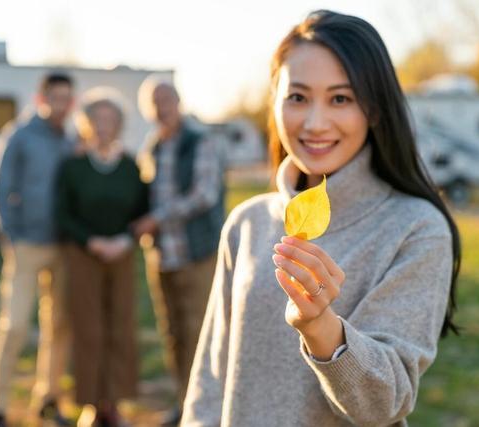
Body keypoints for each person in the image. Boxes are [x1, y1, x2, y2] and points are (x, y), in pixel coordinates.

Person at [182, 10, 461, 427]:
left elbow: (384, 405)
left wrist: (322, 328)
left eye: (340, 99)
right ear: (274, 101)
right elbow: (211, 377)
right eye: (297, 97)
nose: (315, 123)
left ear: (375, 110)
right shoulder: (247, 222)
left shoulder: (416, 229)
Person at [0, 73, 75, 427]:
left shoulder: (70, 139)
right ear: (42, 98)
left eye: (68, 98)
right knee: (15, 324)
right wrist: (11, 234)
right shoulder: (19, 135)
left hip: (63, 247)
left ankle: (48, 398)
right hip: (26, 245)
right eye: (56, 97)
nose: (62, 104)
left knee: (60, 326)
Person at [132, 76, 225, 426]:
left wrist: (156, 220)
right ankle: (185, 401)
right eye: (155, 103)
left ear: (179, 102)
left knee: (200, 330)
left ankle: (209, 406)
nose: (162, 108)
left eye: (167, 100)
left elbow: (204, 195)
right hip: (161, 256)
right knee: (172, 333)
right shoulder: (153, 146)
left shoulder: (199, 142)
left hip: (196, 253)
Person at [54, 88, 149, 427]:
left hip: (121, 253)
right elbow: (63, 213)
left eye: (111, 118)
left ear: (119, 124)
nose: (104, 124)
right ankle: (92, 405)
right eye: (98, 118)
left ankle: (116, 404)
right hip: (83, 254)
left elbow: (142, 209)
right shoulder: (74, 166)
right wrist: (90, 241)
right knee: (89, 329)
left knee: (121, 326)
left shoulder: (129, 165)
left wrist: (125, 240)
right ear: (87, 123)